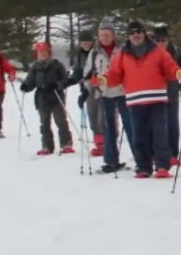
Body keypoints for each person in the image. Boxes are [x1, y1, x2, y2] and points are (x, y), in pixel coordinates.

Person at [99, 21, 181, 178]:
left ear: (144, 33)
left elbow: (169, 66)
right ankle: (143, 167)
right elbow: (114, 72)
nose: (136, 35)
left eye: (139, 32)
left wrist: (177, 73)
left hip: (158, 99)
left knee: (160, 133)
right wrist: (105, 79)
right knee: (139, 135)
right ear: (128, 36)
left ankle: (162, 166)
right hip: (135, 101)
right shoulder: (122, 54)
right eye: (133, 32)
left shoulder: (157, 51)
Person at [84, 23, 131, 173]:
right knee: (108, 127)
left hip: (123, 91)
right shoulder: (94, 52)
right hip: (104, 93)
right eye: (102, 35)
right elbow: (87, 74)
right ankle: (111, 161)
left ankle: (142, 159)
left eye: (107, 35)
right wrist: (89, 86)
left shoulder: (123, 49)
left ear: (113, 35)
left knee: (131, 126)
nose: (104, 38)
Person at [153, 24, 181, 167]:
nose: (160, 43)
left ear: (168, 40)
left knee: (172, 125)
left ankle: (172, 154)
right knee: (156, 126)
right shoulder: (148, 53)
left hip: (171, 94)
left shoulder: (176, 53)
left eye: (163, 40)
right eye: (157, 40)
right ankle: (156, 153)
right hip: (153, 95)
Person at [20, 41, 74, 156]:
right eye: (40, 52)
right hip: (42, 96)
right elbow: (31, 81)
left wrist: (57, 84)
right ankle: (47, 146)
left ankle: (66, 144)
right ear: (37, 53)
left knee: (60, 120)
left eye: (44, 51)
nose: (43, 54)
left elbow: (65, 80)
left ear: (49, 52)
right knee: (44, 122)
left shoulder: (57, 65)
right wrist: (26, 86)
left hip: (56, 95)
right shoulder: (35, 67)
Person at [67, 29, 103, 157]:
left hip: (102, 87)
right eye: (83, 42)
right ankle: (99, 145)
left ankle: (107, 144)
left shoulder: (99, 52)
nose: (85, 44)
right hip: (87, 89)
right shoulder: (80, 55)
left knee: (103, 118)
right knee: (93, 116)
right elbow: (78, 72)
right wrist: (68, 81)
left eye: (88, 41)